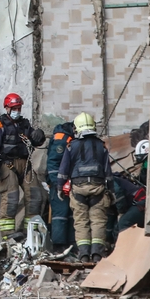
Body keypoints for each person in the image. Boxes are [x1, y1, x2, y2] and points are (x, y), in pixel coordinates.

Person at [0, 93, 46, 239]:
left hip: (25, 164)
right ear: (7, 108)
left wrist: (39, 135)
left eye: (19, 108)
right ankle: (8, 235)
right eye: (14, 108)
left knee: (35, 195)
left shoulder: (24, 125)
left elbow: (35, 140)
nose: (17, 111)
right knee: (11, 197)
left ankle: (31, 233)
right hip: (8, 164)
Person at [57, 112, 112, 263]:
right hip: (98, 188)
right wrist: (112, 190)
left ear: (77, 128)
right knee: (98, 221)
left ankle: (84, 255)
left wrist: (60, 187)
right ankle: (97, 254)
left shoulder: (71, 146)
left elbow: (63, 169)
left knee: (81, 222)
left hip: (78, 189)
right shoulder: (101, 146)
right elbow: (108, 172)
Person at [46, 121, 76, 252]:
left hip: (67, 183)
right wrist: (57, 183)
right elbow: (53, 162)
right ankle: (58, 246)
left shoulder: (69, 138)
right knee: (61, 213)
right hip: (59, 184)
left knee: (70, 213)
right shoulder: (62, 139)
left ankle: (70, 244)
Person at [111, 172, 145, 238]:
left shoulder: (109, 180)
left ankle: (127, 243)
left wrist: (121, 212)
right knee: (117, 227)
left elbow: (118, 194)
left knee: (124, 223)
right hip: (136, 204)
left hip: (141, 202)